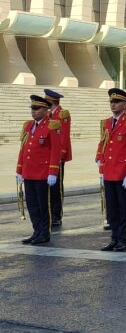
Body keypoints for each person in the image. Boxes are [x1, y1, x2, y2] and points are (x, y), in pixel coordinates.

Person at [96, 88, 126, 252]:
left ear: (124, 104)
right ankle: (114, 238)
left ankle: (123, 239)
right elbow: (103, 143)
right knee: (112, 208)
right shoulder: (106, 123)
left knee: (123, 209)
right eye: (111, 102)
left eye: (116, 102)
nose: (113, 105)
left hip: (123, 173)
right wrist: (100, 162)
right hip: (109, 171)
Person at [17, 95, 61, 245]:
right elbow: (23, 149)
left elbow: (55, 151)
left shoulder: (52, 125)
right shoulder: (28, 126)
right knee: (32, 204)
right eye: (32, 108)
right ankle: (36, 231)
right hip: (29, 171)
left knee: (43, 205)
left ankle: (44, 233)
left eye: (36, 108)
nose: (33, 111)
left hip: (43, 173)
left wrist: (53, 172)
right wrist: (19, 169)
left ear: (45, 109)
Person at [45, 89, 71, 228]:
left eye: (46, 100)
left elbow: (64, 136)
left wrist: (61, 155)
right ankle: (50, 213)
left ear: (51, 101)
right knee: (48, 187)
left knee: (56, 188)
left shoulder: (62, 114)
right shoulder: (48, 114)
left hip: (57, 156)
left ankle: (57, 215)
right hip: (47, 156)